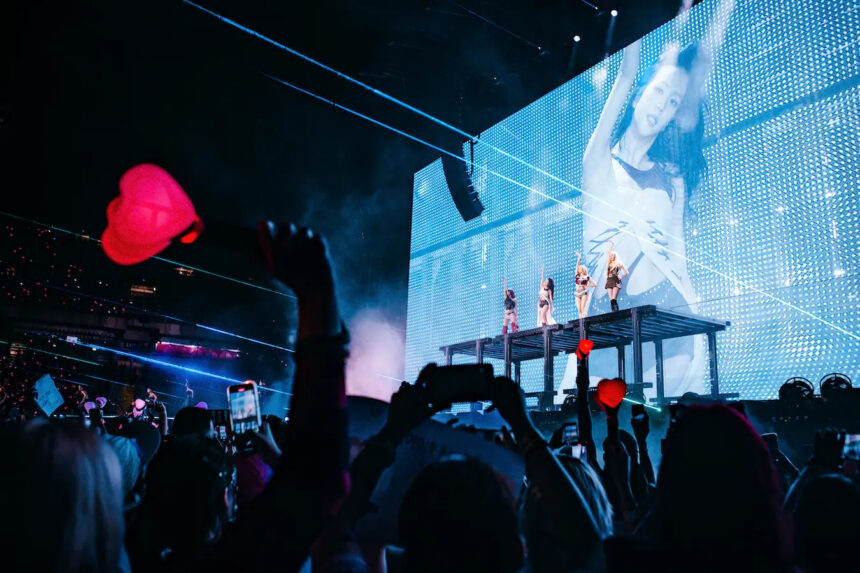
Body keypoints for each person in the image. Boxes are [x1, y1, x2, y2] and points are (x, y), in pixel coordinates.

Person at [575, 0, 735, 395]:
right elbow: (627, 73)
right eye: (658, 91)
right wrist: (632, 18)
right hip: (608, 318)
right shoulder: (599, 163)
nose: (662, 105)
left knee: (661, 414)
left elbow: (677, 258)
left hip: (668, 311)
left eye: (672, 102)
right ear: (638, 96)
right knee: (609, 414)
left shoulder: (671, 180)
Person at [604, 240, 628, 312]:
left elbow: (626, 272)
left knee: (614, 298)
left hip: (615, 280)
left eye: (612, 255)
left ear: (615, 256)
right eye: (610, 256)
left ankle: (616, 312)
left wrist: (621, 277)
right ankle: (613, 312)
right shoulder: (609, 263)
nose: (611, 256)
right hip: (609, 280)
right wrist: (612, 244)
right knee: (611, 299)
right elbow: (608, 252)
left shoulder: (619, 263)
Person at [574, 252, 598, 318]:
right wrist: (579, 258)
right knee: (579, 310)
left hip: (583, 292)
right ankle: (580, 321)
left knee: (583, 309)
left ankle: (584, 320)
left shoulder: (587, 276)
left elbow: (594, 284)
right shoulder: (577, 276)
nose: (578, 269)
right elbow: (576, 267)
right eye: (578, 268)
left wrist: (587, 286)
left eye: (580, 268)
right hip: (577, 292)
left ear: (583, 269)